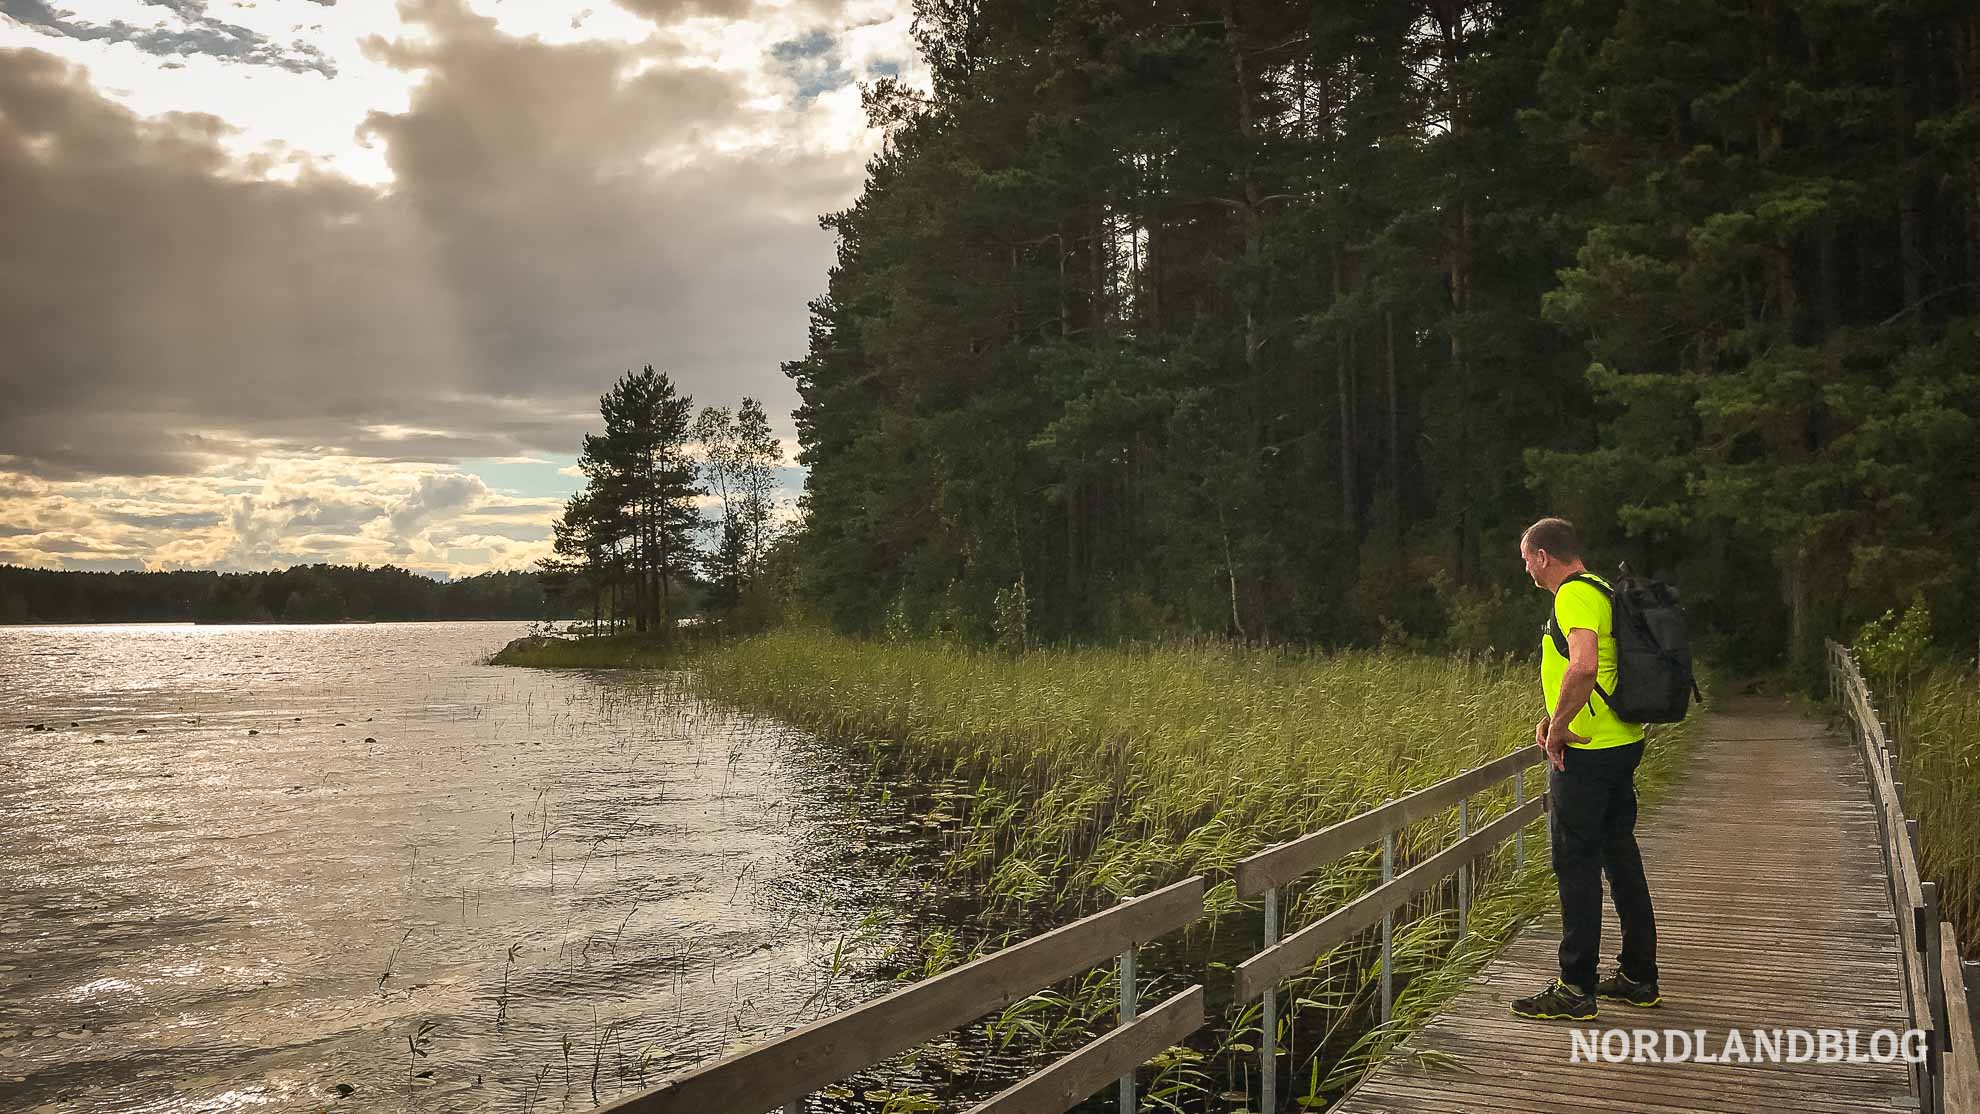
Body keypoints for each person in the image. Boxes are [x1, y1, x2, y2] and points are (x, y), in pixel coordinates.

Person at [1510, 516, 1662, 1021]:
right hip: (1622, 741)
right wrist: (1553, 713)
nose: (1526, 568)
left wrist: (1558, 730)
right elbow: (1587, 673)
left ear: (1543, 557)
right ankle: (1639, 977)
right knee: (1621, 858)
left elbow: (1585, 665)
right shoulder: (1601, 589)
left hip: (1588, 753)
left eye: (1526, 558)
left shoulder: (1571, 595)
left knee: (1575, 866)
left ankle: (1576, 988)